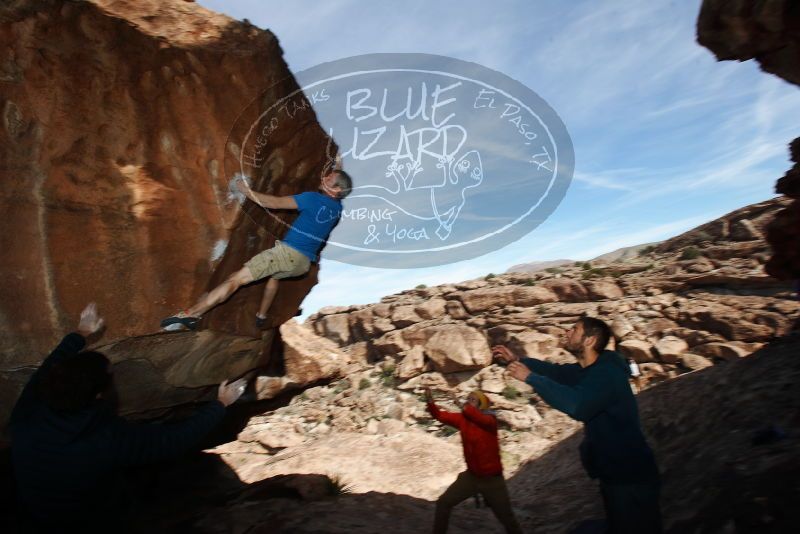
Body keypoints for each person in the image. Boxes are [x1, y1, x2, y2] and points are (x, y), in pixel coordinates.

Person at [9, 303, 246, 532]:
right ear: (99, 395)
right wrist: (220, 404)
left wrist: (82, 332)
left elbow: (50, 367)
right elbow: (171, 440)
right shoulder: (104, 441)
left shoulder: (27, 412)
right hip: (89, 521)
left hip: (38, 512)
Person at [495, 316, 662, 534]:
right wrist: (517, 359)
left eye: (574, 329)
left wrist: (531, 378)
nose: (567, 331)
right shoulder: (588, 370)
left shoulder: (607, 374)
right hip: (614, 471)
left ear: (589, 340)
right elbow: (556, 372)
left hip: (630, 475)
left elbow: (578, 405)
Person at [161, 168, 353, 331]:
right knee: (275, 276)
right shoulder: (336, 211)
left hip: (287, 254)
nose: (324, 178)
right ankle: (261, 314)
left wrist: (244, 189)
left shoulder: (312, 199)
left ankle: (191, 314)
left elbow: (273, 203)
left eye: (329, 178)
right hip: (302, 265)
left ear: (336, 190)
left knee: (236, 280)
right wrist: (337, 172)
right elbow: (340, 188)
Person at [425, 387, 523, 534]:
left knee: (507, 519)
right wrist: (430, 400)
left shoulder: (490, 420)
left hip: (493, 481)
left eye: (473, 399)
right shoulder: (464, 419)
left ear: (481, 405)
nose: (469, 401)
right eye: (468, 398)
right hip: (471, 477)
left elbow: (478, 418)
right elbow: (439, 415)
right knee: (444, 503)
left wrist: (462, 405)